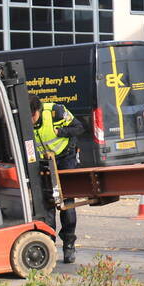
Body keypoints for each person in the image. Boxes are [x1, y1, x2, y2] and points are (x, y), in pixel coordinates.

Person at [30, 94, 84, 264]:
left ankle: (69, 244)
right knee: (46, 205)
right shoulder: (24, 120)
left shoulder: (55, 111)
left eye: (32, 117)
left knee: (66, 202)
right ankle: (49, 243)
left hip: (64, 158)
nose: (30, 121)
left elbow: (79, 128)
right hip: (44, 162)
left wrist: (60, 132)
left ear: (37, 111)